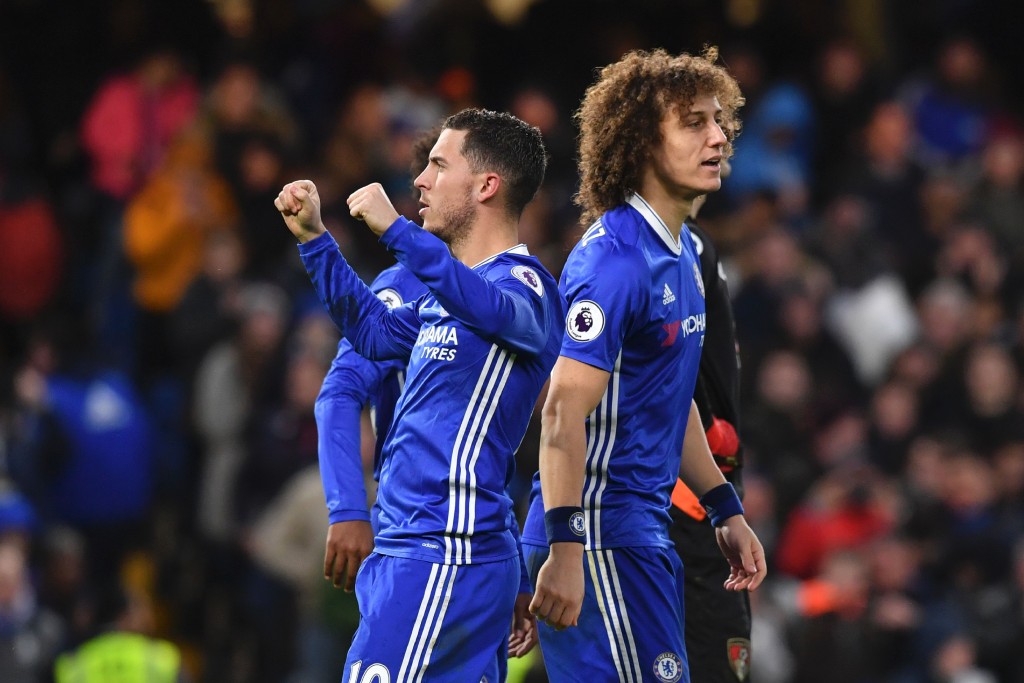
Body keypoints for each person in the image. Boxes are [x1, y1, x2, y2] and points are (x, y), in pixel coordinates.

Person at [275, 108, 562, 681]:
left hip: (444, 550)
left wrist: (394, 230)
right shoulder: (439, 298)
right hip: (417, 544)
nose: (421, 180)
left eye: (437, 164)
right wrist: (316, 241)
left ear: (486, 186)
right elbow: (376, 334)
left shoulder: (525, 290)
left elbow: (483, 306)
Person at [522, 47, 767, 682]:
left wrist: (724, 508)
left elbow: (668, 396)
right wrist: (567, 548)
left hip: (638, 532)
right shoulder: (616, 261)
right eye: (693, 123)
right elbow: (559, 412)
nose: (718, 137)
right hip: (597, 533)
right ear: (639, 142)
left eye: (719, 121)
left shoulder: (683, 251)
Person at [668, 170, 756, 681]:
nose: (719, 138)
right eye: (696, 122)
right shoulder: (678, 244)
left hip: (702, 493)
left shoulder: (694, 244)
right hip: (688, 496)